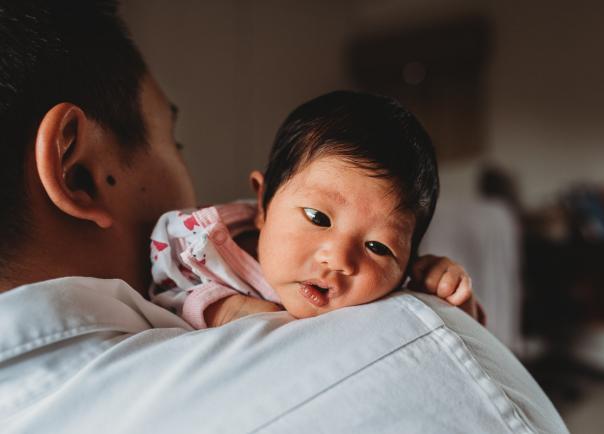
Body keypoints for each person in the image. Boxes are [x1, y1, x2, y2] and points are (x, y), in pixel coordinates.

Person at [0, 1, 569, 433]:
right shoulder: (426, 351)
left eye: (378, 248)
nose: (338, 258)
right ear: (80, 173)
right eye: (177, 140)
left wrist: (437, 286)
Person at [149, 90, 480, 328]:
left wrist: (451, 298)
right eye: (318, 218)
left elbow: (467, 340)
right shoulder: (199, 246)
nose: (338, 259)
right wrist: (220, 310)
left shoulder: (399, 286)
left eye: (377, 247)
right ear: (263, 202)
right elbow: (162, 293)